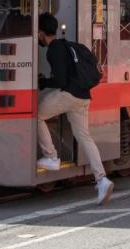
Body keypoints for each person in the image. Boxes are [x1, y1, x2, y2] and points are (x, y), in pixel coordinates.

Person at [37, 12, 113, 205]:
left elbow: (61, 80)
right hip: (83, 97)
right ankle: (102, 180)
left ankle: (51, 156)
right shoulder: (68, 45)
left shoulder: (53, 50)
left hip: (68, 95)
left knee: (36, 115)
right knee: (84, 137)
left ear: (40, 33)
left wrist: (43, 82)